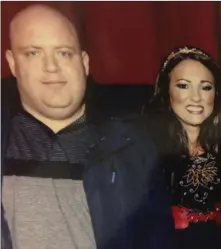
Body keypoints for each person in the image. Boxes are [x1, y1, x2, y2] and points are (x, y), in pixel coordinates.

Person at [1, 4, 174, 249]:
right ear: (12, 63)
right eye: (33, 53)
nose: (51, 66)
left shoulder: (132, 148)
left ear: (84, 62)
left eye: (64, 53)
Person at [140, 45, 221, 249]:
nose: (196, 97)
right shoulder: (147, 151)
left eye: (206, 87)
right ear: (167, 92)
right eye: (184, 85)